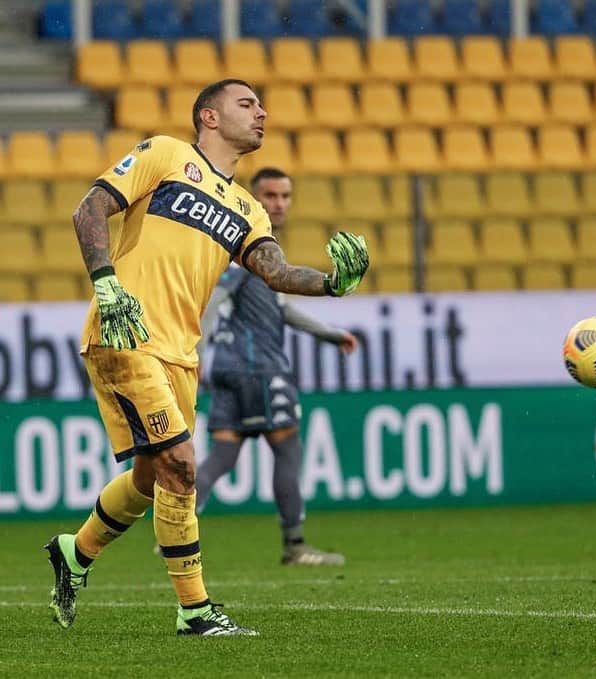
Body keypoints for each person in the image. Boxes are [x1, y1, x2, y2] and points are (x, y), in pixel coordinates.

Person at [45, 79, 369, 638]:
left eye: (262, 104)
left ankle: (76, 553)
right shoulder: (166, 154)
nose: (262, 112)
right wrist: (104, 284)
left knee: (152, 476)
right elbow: (89, 210)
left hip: (180, 353)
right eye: (247, 104)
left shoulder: (248, 209)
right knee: (182, 466)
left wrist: (333, 284)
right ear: (209, 117)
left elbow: (277, 272)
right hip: (126, 329)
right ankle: (195, 611)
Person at [194, 167, 358, 566]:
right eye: (270, 196)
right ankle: (295, 545)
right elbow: (214, 301)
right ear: (252, 198)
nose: (279, 204)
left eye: (285, 196)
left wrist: (329, 334)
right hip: (259, 368)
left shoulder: (254, 250)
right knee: (287, 447)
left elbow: (279, 308)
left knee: (223, 455)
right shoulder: (242, 245)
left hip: (230, 370)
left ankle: (176, 527)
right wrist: (194, 350)